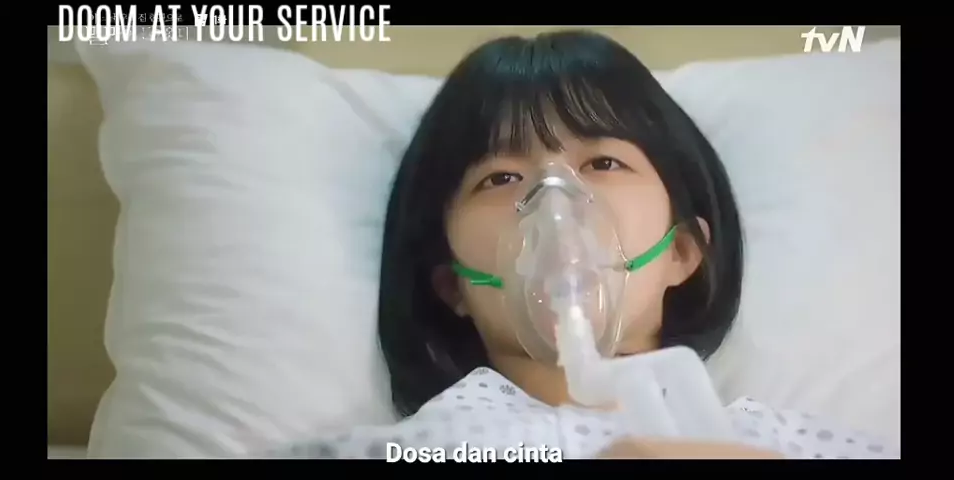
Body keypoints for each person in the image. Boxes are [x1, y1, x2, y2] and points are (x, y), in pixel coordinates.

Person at [271, 30, 898, 460]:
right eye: (500, 178)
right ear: (453, 284)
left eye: (602, 163)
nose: (554, 200)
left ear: (681, 252)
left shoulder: (783, 441)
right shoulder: (427, 446)